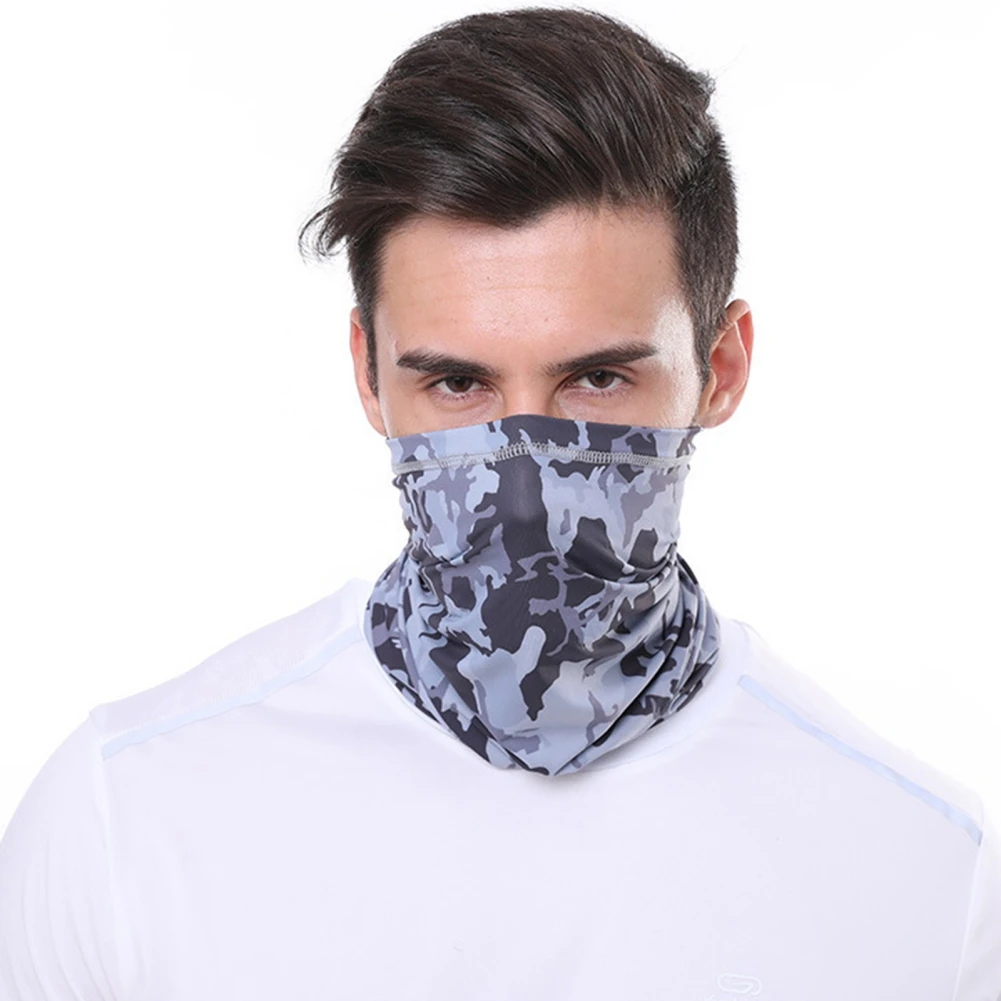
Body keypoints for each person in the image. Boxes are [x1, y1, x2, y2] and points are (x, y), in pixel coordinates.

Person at [1, 6, 998, 998]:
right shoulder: (127, 820)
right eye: (456, 384)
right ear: (367, 373)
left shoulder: (928, 876)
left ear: (721, 367)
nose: (523, 496)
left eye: (597, 380)